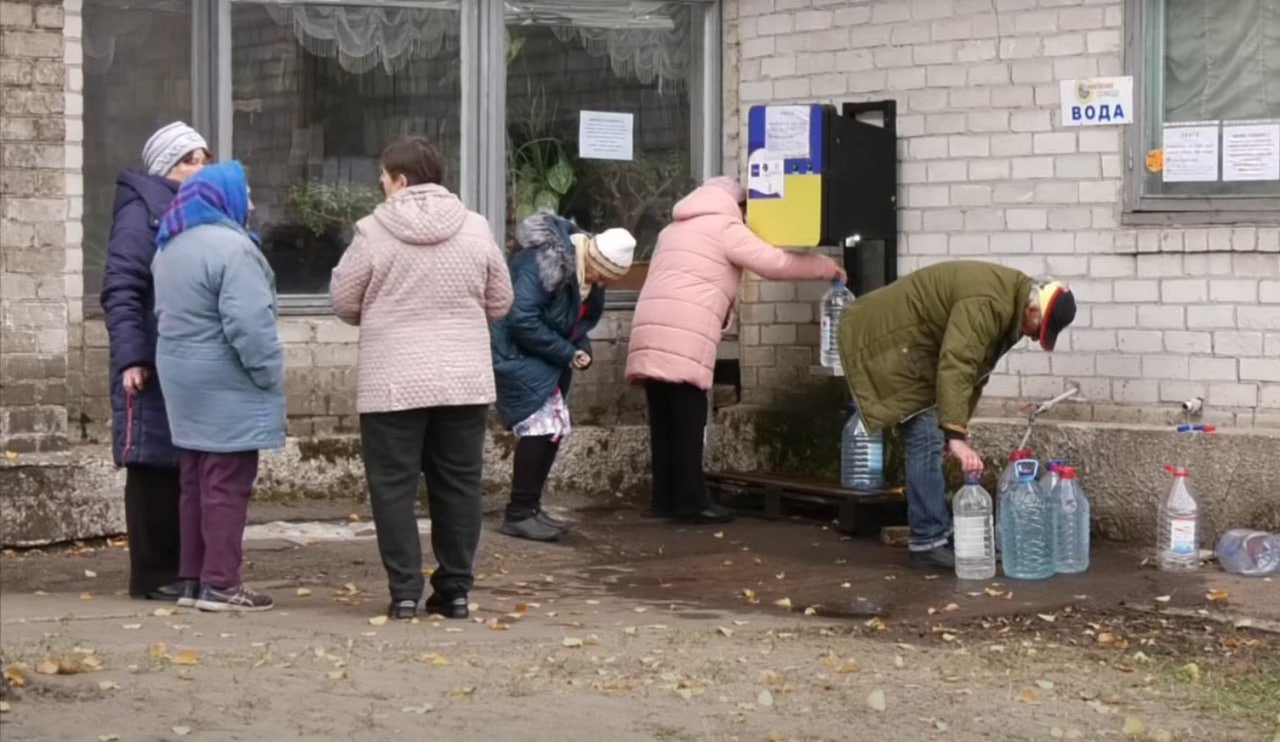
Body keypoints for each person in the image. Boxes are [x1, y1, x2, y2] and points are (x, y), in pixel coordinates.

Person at [331, 136, 513, 621]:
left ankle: (405, 593)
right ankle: (455, 592)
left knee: (392, 486)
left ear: (401, 180)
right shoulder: (476, 228)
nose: (382, 188)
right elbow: (501, 301)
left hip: (393, 382)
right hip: (464, 380)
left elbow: (344, 301)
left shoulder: (372, 232)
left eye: (384, 180)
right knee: (459, 484)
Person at [626, 176, 846, 524]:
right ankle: (691, 503)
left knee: (664, 420)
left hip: (650, 327)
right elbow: (775, 264)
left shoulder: (672, 230)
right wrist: (825, 266)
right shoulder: (725, 227)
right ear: (738, 204)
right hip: (684, 331)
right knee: (688, 419)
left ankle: (665, 500)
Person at [836, 260, 1077, 569]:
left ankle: (937, 532)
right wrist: (954, 434)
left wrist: (957, 429)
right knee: (924, 436)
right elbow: (958, 363)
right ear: (1033, 311)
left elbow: (976, 372)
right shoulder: (989, 304)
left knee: (932, 435)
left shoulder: (1012, 305)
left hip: (916, 348)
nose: (1033, 338)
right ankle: (927, 542)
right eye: (1038, 330)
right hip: (889, 342)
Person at [152, 161, 286, 611]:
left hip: (181, 379)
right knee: (227, 484)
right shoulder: (234, 250)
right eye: (244, 192)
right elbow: (249, 324)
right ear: (222, 196)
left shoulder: (168, 246)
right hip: (227, 382)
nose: (249, 202)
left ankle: (193, 578)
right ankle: (223, 583)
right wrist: (269, 373)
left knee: (193, 479)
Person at [101, 121, 212, 602]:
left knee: (180, 464)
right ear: (166, 166)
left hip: (181, 356)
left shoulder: (190, 209)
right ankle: (150, 574)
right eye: (189, 160)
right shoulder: (141, 210)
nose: (199, 168)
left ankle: (180, 567)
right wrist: (132, 356)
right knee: (150, 465)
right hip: (148, 360)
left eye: (204, 158)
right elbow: (121, 288)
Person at [490, 214, 637, 542]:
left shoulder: (586, 275)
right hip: (515, 354)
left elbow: (576, 322)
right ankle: (518, 512)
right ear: (594, 259)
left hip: (543, 357)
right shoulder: (541, 263)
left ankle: (530, 508)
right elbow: (521, 319)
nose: (601, 283)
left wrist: (580, 347)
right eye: (603, 275)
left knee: (553, 430)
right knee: (540, 429)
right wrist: (568, 353)